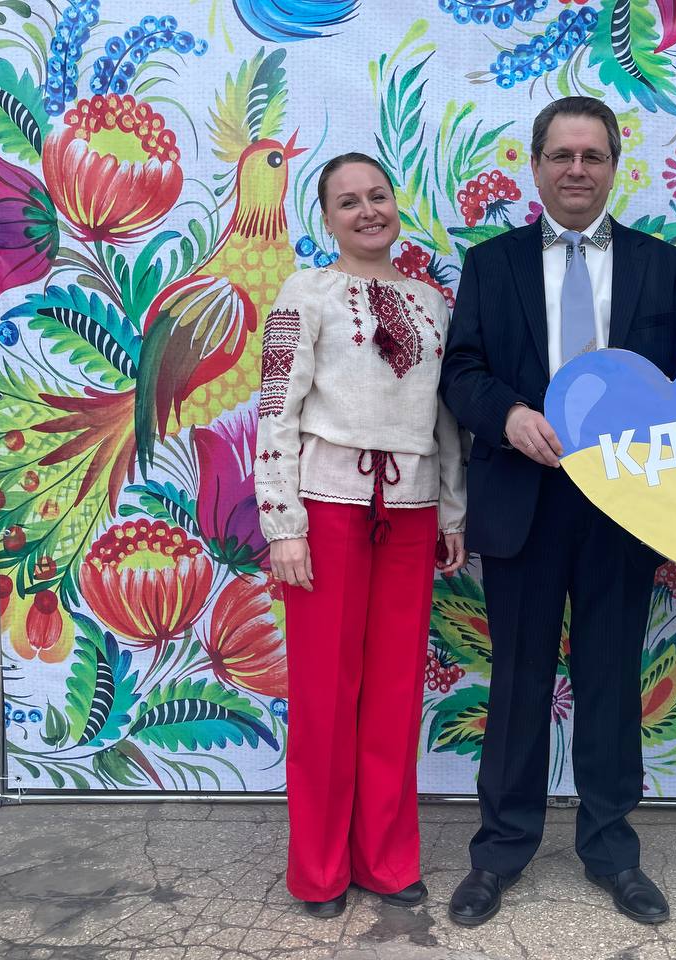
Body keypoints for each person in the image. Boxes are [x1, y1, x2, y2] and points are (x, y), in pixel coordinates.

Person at [440, 96, 676, 927]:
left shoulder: (662, 266)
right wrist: (510, 415)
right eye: (561, 155)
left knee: (613, 680)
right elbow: (462, 370)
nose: (576, 169)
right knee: (516, 682)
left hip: (626, 506)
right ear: (537, 166)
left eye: (592, 155)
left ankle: (613, 852)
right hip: (523, 498)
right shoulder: (491, 264)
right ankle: (499, 851)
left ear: (615, 165)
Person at [255, 152, 468, 918]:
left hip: (409, 511)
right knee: (324, 693)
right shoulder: (305, 292)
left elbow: (446, 417)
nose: (368, 210)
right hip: (327, 510)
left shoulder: (432, 302)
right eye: (349, 201)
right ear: (326, 218)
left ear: (394, 205)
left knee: (395, 693)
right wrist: (283, 523)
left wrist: (451, 510)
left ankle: (386, 858)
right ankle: (318, 870)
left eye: (378, 195)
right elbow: (275, 407)